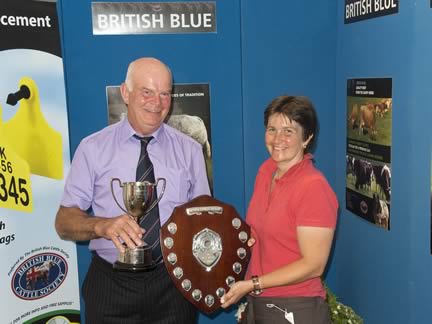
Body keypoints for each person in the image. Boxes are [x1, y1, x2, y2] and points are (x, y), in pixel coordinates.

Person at [55, 57, 210, 323]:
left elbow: (204, 219)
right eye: (147, 92)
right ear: (125, 93)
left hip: (172, 283)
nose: (157, 103)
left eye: (165, 94)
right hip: (111, 286)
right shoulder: (93, 148)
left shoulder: (190, 150)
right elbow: (64, 222)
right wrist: (101, 226)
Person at [221, 95, 338, 323]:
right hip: (259, 301)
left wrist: (254, 284)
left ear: (307, 138)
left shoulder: (314, 188)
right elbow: (258, 232)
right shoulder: (266, 171)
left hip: (296, 305)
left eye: (289, 131)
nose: (278, 139)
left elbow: (314, 265)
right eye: (272, 129)